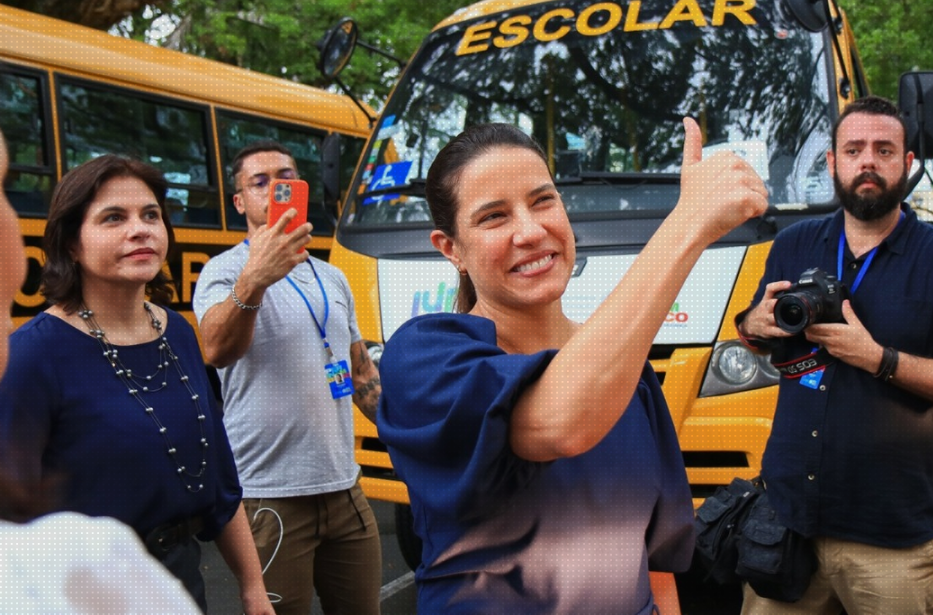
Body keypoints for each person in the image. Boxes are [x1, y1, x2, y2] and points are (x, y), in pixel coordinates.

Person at [377, 120, 769, 614]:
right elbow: (559, 422)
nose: (531, 230)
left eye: (543, 201)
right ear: (450, 248)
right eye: (494, 217)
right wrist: (687, 225)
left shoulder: (627, 374)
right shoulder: (424, 359)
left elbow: (653, 562)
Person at [734, 95, 933, 615]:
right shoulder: (793, 244)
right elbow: (755, 332)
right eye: (854, 149)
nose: (867, 161)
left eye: (884, 150)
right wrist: (753, 324)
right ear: (832, 162)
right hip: (788, 521)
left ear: (908, 165)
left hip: (890, 534)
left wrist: (879, 357)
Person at [0, 153, 273, 614]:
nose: (140, 229)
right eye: (113, 218)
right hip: (84, 595)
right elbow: (10, 515)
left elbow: (221, 477)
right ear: (71, 244)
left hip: (182, 583)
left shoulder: (180, 333)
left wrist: (253, 587)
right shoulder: (33, 354)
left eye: (151, 215)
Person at [193, 141, 382, 615]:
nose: (276, 187)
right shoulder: (224, 271)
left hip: (345, 490)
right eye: (260, 182)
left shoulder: (331, 276)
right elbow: (214, 348)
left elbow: (360, 372)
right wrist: (256, 277)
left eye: (286, 176)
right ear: (240, 202)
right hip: (268, 499)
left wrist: (413, 441)